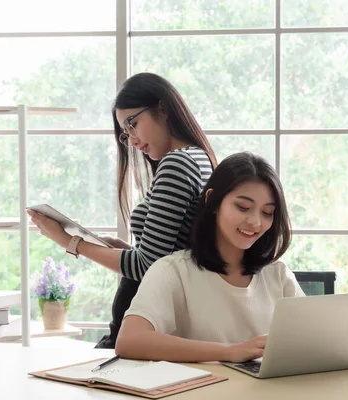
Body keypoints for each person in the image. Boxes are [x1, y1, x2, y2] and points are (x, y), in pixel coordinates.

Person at [27, 72, 217, 348]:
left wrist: (70, 242)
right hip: (154, 318)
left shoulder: (177, 165)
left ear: (162, 107)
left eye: (133, 124)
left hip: (148, 321)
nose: (133, 139)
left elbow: (146, 266)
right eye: (126, 133)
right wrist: (123, 248)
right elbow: (167, 255)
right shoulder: (197, 158)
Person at [115, 152, 305, 363]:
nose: (255, 222)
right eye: (243, 207)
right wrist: (230, 352)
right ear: (213, 202)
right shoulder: (172, 270)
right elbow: (130, 341)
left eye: (267, 212)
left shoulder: (278, 275)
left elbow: (312, 340)